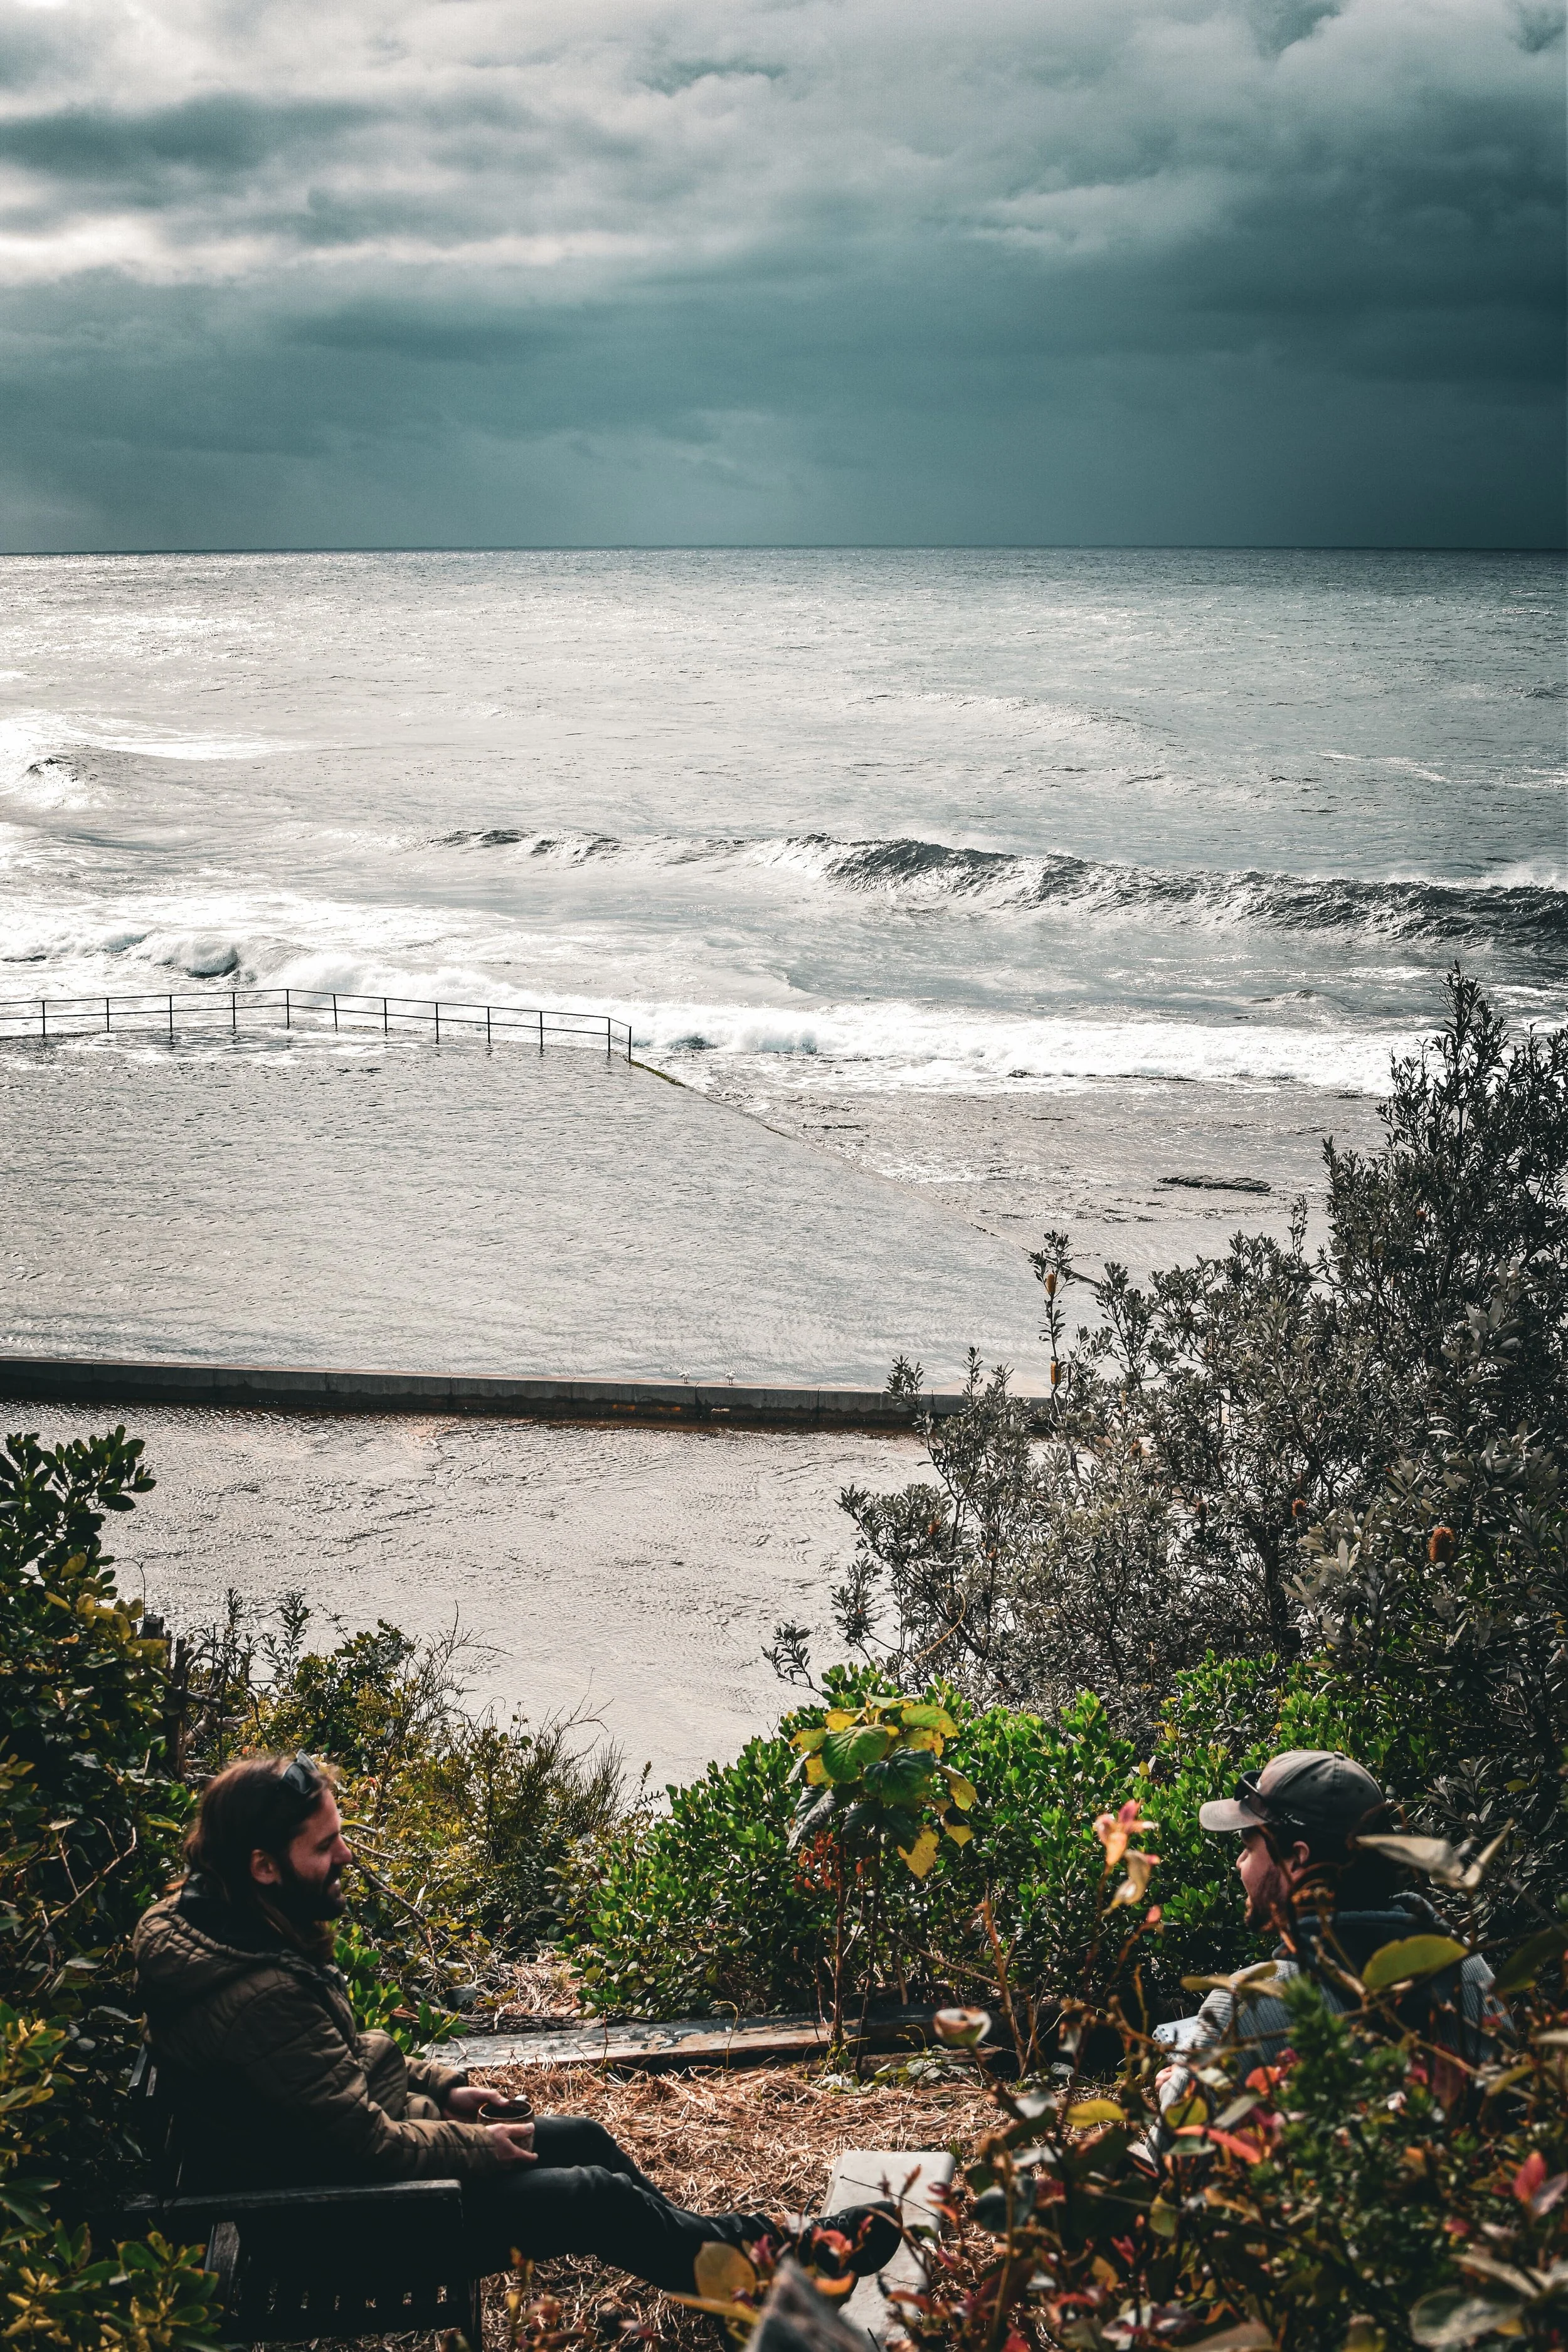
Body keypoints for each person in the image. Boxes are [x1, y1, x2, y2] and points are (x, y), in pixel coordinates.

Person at [132, 1752, 899, 2294]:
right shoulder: (258, 1991)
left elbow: (329, 2068)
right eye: (325, 1846)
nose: (346, 1858)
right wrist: (477, 2147)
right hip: (340, 2226)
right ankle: (779, 2262)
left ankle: (736, 2269)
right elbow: (362, 2144)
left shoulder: (230, 1931)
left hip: (335, 2183)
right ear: (264, 1865)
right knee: (593, 2197)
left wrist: (445, 2086)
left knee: (583, 2139)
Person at [1153, 1747, 1506, 2092]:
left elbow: (1179, 2128)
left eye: (1249, 1847)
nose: (1239, 1863)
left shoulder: (1245, 2008)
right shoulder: (1470, 1970)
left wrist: (1175, 2084)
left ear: (1297, 1858)